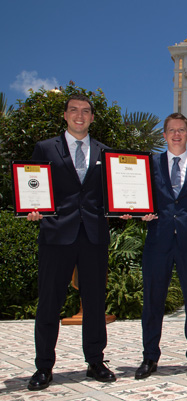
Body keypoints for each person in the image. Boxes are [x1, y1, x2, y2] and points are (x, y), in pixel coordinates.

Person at [26, 94, 116, 391]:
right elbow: (34, 185)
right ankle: (43, 367)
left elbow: (110, 194)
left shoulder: (106, 153)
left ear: (92, 117)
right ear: (65, 115)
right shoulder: (45, 148)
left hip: (93, 235)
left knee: (94, 302)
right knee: (49, 302)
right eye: (74, 110)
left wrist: (126, 207)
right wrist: (32, 208)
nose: (80, 115)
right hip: (56, 233)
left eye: (86, 111)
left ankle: (95, 361)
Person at [133, 113, 187, 379]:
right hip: (158, 240)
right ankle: (149, 357)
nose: (176, 134)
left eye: (181, 130)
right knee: (153, 301)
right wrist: (139, 212)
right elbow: (140, 195)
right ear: (164, 135)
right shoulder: (150, 164)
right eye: (171, 130)